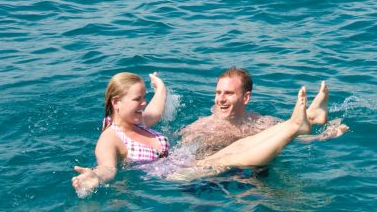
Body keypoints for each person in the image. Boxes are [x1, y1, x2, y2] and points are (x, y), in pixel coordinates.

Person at [72, 72, 314, 195]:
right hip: (171, 177)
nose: (144, 104)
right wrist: (95, 176)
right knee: (230, 157)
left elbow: (156, 107)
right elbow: (108, 168)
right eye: (138, 99)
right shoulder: (111, 137)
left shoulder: (137, 120)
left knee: (241, 145)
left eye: (144, 98)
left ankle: (300, 123)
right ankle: (293, 128)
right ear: (117, 103)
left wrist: (160, 86)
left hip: (184, 161)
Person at [179, 68, 347, 153]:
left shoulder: (261, 122)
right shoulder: (200, 127)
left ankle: (312, 117)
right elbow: (182, 155)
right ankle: (311, 115)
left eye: (229, 93)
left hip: (252, 170)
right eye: (218, 93)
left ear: (246, 98)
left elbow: (295, 138)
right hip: (214, 175)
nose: (220, 99)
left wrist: (323, 136)